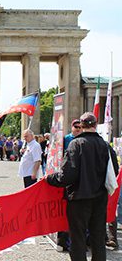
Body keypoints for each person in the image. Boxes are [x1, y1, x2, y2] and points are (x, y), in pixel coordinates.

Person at [46, 112, 119, 261]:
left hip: (79, 198)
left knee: (78, 238)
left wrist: (49, 179)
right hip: (100, 198)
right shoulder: (105, 145)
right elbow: (115, 170)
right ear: (95, 125)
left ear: (82, 125)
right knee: (98, 238)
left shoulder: (76, 144)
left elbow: (67, 175)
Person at [57, 119, 82, 251]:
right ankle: (63, 241)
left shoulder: (84, 139)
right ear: (71, 127)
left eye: (80, 126)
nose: (78, 128)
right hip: (67, 175)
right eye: (75, 126)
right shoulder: (65, 139)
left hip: (81, 179)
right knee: (65, 211)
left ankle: (77, 242)